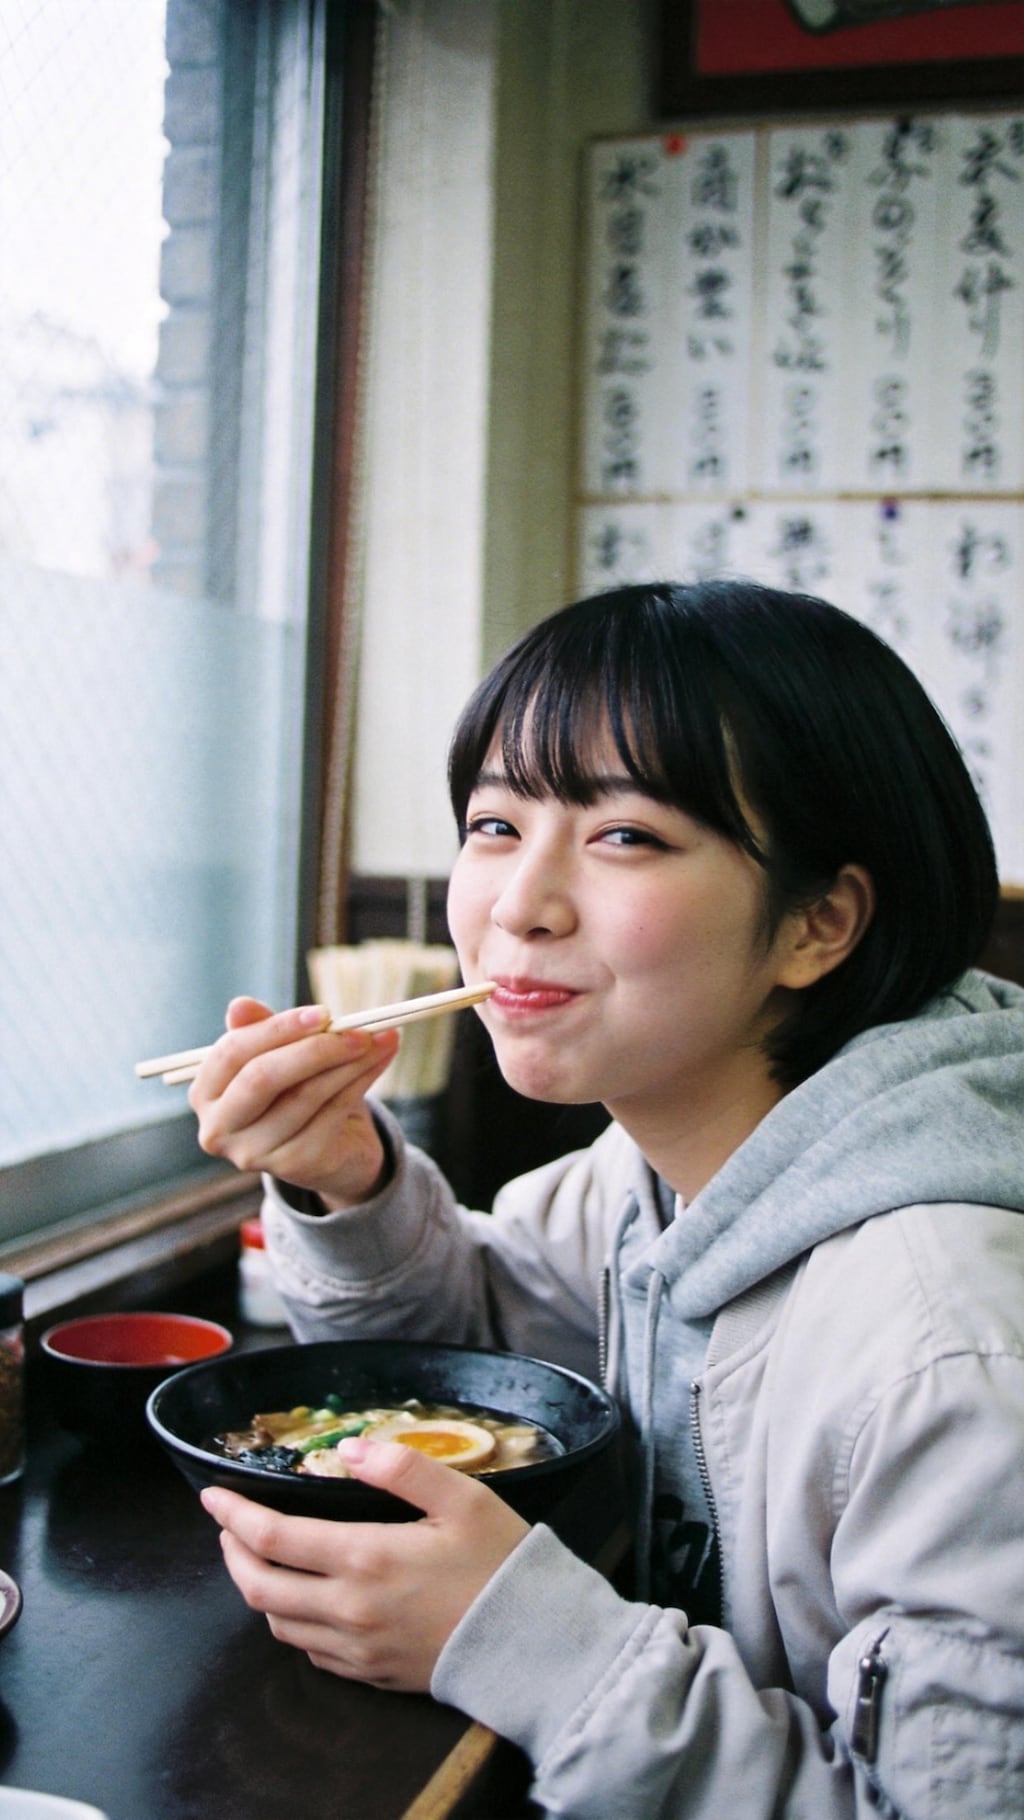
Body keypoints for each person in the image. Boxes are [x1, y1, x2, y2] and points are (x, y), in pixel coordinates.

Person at [191, 580, 1024, 1820]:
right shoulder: (655, 1168)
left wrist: (524, 1641)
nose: (520, 904)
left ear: (818, 920)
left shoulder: (946, 1338)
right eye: (492, 824)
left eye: (625, 834)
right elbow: (482, 1356)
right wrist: (343, 1172)